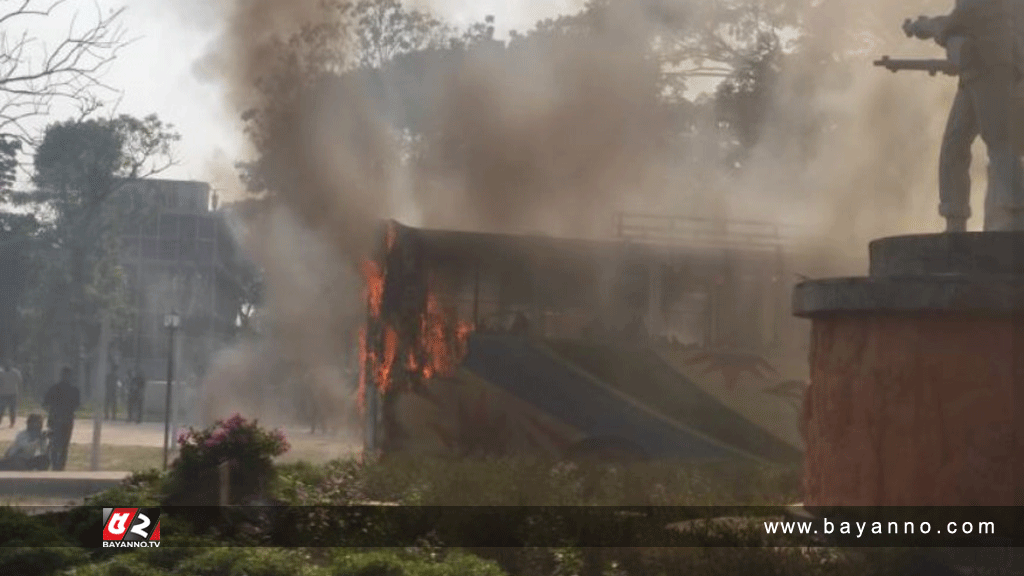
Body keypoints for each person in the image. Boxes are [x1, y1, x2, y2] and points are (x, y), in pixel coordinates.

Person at [905, 0, 1024, 231]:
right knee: (954, 144)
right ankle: (954, 220)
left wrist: (927, 27)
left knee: (999, 142)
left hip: (992, 69)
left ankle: (1016, 214)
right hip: (974, 71)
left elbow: (961, 20)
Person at [42, 367, 80, 471]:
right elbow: (45, 402)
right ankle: (56, 465)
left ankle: (60, 466)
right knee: (55, 444)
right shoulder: (55, 388)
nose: (66, 377)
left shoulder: (73, 389)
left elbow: (76, 405)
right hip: (57, 419)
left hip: (66, 419)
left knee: (63, 444)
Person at [0, 361, 16, 428]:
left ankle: (12, 423)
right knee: (2, 409)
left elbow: (19, 382)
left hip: (12, 393)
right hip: (4, 394)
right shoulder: (1, 372)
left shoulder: (15, 372)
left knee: (12, 409)